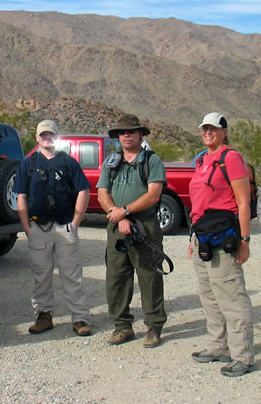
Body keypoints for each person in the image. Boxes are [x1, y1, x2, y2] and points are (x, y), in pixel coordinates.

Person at [187, 112, 254, 377]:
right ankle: (218, 346)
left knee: (231, 296)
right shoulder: (202, 160)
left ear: (224, 131)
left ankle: (243, 356)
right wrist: (192, 237)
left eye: (213, 128)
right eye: (204, 128)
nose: (208, 132)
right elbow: (199, 203)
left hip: (224, 238)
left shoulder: (231, 158)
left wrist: (245, 240)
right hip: (201, 236)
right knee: (210, 296)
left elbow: (243, 202)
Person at [13, 120, 92, 336]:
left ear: (56, 136)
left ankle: (80, 317)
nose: (47, 138)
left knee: (72, 274)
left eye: (51, 134)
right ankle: (44, 315)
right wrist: (26, 227)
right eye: (43, 134)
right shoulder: (27, 164)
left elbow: (84, 190)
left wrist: (75, 222)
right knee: (41, 274)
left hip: (65, 226)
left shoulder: (68, 163)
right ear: (37, 137)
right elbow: (20, 195)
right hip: (38, 227)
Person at [96, 114, 167, 347]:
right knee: (116, 277)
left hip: (144, 226)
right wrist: (117, 214)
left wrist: (124, 212)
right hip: (117, 225)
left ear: (140, 135)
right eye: (122, 132)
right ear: (117, 137)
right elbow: (102, 193)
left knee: (149, 276)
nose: (127, 135)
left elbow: (153, 195)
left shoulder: (151, 161)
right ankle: (122, 326)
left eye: (131, 131)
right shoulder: (111, 162)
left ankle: (153, 327)